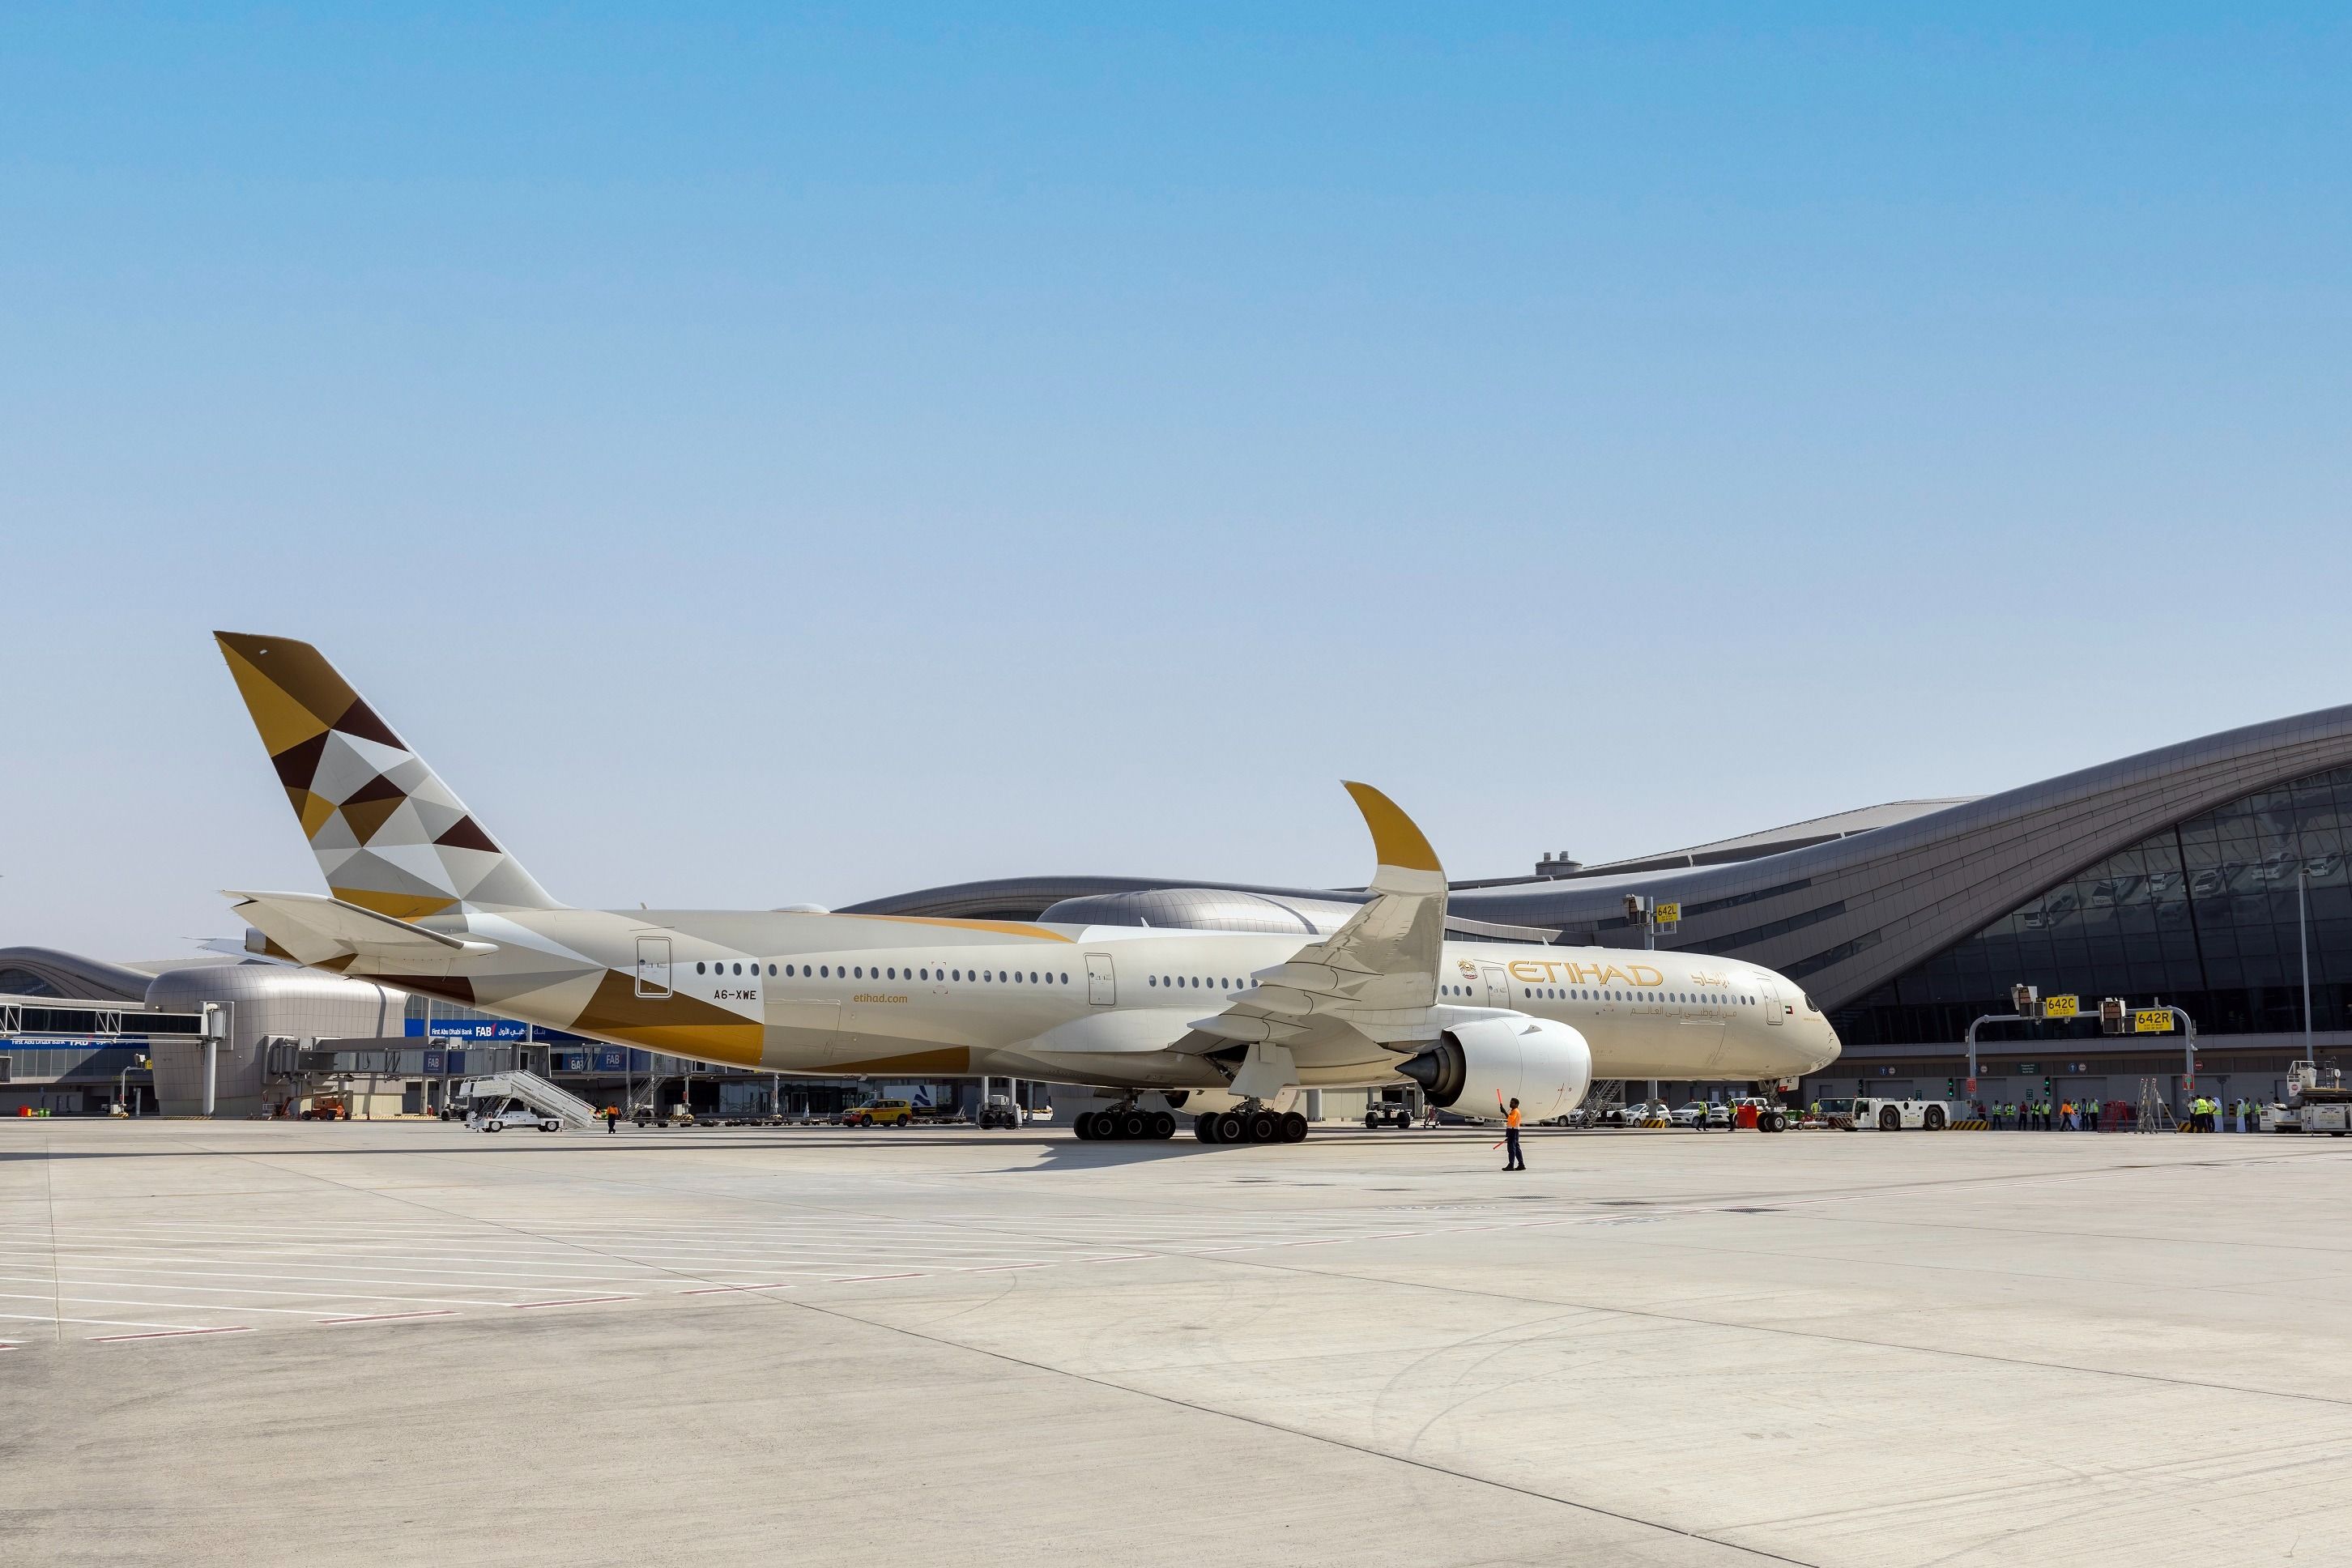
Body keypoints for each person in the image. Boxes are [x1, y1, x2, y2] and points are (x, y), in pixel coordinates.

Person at [1502, 1096, 1525, 1170]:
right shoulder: (1514, 1111)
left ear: (1516, 1104)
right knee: (1517, 1149)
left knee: (1511, 1149)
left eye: (1512, 1103)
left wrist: (1504, 1112)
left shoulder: (1515, 1111)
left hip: (1513, 1131)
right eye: (1510, 1103)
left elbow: (1510, 1119)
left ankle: (1511, 1165)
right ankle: (1521, 1164)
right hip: (1514, 1131)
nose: (1510, 1104)